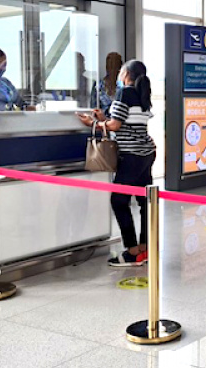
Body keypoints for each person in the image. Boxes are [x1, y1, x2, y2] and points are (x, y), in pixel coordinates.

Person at [77, 60, 155, 266]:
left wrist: (93, 123)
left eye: (121, 71)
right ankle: (145, 249)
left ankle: (131, 251)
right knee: (143, 202)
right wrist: (105, 118)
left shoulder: (125, 93)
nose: (119, 74)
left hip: (131, 156)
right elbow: (127, 121)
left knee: (119, 201)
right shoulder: (142, 94)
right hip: (146, 154)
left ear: (126, 73)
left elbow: (116, 125)